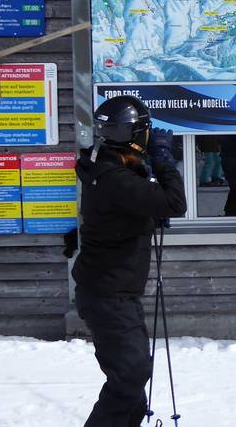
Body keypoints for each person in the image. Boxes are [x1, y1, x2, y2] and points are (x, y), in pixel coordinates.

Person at [72, 95, 187, 427]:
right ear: (135, 134)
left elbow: (132, 207)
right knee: (130, 375)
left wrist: (149, 211)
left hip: (114, 291)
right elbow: (175, 203)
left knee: (132, 376)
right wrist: (164, 161)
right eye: (146, 131)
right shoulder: (115, 179)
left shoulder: (108, 168)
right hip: (108, 294)